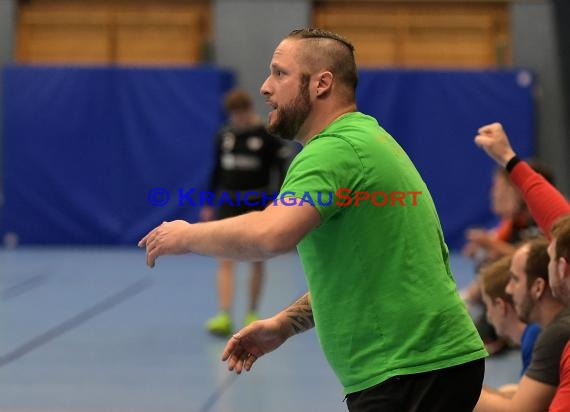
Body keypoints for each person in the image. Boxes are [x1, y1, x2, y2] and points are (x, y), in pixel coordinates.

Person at [139, 28, 486, 411]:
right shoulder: (364, 139)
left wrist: (187, 236)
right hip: (423, 368)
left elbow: (271, 234)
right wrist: (286, 324)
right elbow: (365, 271)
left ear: (322, 83)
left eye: (280, 73)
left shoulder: (333, 150)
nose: (265, 87)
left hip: (409, 370)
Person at [473, 123, 570, 412]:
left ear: (562, 269)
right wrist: (509, 159)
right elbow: (557, 216)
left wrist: (444, 388)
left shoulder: (559, 335)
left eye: (550, 255)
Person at [202, 88, 290, 336]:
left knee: (256, 259)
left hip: (257, 201)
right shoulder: (224, 135)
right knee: (225, 259)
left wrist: (280, 201)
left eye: (241, 113)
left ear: (249, 110)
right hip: (229, 202)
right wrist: (209, 203)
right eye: (233, 114)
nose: (237, 119)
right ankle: (224, 315)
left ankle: (252, 311)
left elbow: (281, 171)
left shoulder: (266, 136)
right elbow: (216, 170)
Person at [479, 255, 541, 377]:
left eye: (488, 305)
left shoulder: (533, 338)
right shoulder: (532, 334)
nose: (488, 315)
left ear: (500, 305)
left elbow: (525, 397)